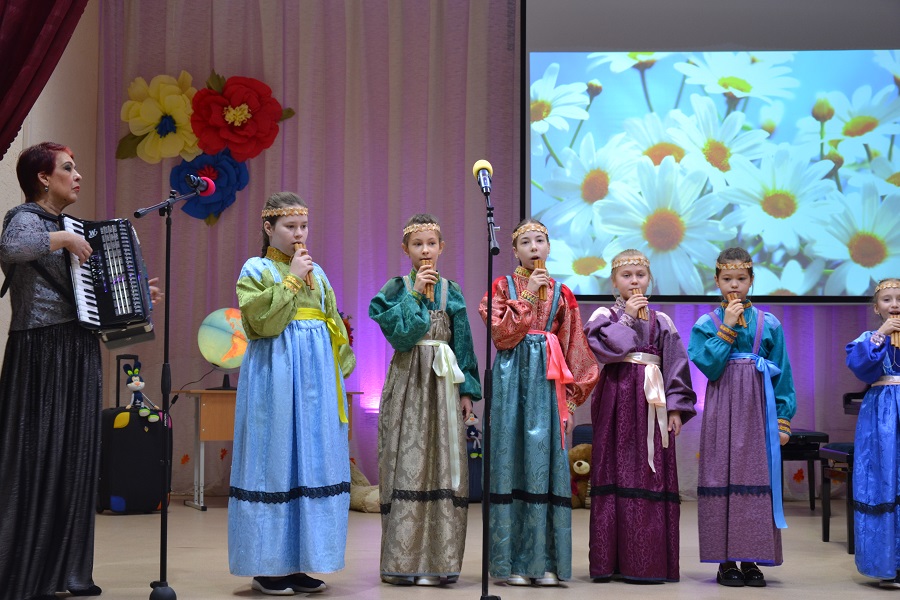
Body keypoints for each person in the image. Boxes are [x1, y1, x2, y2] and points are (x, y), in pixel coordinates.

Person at [0, 141, 161, 600]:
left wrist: (137, 298)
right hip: (40, 351)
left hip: (79, 349)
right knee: (36, 455)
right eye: (68, 168)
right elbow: (11, 248)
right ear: (42, 178)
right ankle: (24, 574)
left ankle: (66, 572)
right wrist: (64, 240)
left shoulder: (72, 227)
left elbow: (90, 299)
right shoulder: (25, 218)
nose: (78, 176)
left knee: (75, 456)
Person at [228, 191, 355, 596]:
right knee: (275, 459)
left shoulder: (320, 273)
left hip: (315, 380)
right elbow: (260, 322)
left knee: (310, 462)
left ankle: (301, 561)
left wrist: (338, 371)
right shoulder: (257, 269)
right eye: (290, 226)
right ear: (269, 228)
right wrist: (292, 279)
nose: (299, 234)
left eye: (304, 226)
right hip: (278, 375)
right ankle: (267, 567)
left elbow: (332, 320)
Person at [478, 218, 599, 586]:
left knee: (545, 464)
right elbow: (501, 336)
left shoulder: (563, 293)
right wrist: (528, 295)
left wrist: (572, 399)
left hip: (548, 383)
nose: (534, 247)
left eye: (540, 241)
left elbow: (575, 347)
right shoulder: (502, 287)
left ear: (549, 247)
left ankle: (545, 562)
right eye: (526, 242)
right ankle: (512, 563)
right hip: (511, 382)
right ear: (515, 251)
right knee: (512, 460)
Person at [369, 213, 481, 586]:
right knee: (407, 462)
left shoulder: (453, 290)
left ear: (441, 247)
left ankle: (437, 562)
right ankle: (403, 562)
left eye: (431, 243)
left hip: (443, 383)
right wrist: (416, 293)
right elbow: (401, 336)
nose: (425, 250)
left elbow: (463, 340)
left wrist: (467, 391)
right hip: (408, 382)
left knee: (442, 464)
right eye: (417, 244)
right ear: (406, 249)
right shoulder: (396, 288)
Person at [583, 249, 697, 583]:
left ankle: (648, 563)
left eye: (640, 275)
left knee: (650, 472)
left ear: (650, 279)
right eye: (626, 276)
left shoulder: (662, 321)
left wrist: (675, 408)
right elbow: (605, 351)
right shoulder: (604, 314)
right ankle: (610, 562)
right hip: (616, 401)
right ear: (614, 281)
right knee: (613, 468)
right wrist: (628, 319)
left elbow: (676, 365)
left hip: (652, 402)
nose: (634, 281)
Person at [687, 247, 795, 588]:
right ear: (716, 281)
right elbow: (709, 365)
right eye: (727, 279)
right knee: (722, 475)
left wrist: (782, 419)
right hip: (723, 410)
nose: (734, 285)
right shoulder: (707, 324)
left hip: (758, 409)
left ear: (751, 281)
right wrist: (728, 328)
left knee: (754, 477)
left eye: (741, 279)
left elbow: (783, 374)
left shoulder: (769, 323)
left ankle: (751, 558)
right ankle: (725, 561)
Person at [845, 278, 900, 588]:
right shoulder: (870, 338)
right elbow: (861, 367)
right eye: (887, 299)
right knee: (883, 479)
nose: (895, 305)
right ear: (877, 308)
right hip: (882, 416)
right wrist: (882, 334)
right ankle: (887, 565)